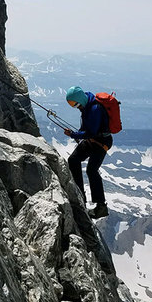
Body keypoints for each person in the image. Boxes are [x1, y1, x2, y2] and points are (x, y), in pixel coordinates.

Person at [64, 86, 112, 219]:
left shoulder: (95, 109)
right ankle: (81, 197)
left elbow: (92, 132)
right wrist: (77, 134)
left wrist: (74, 134)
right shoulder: (86, 106)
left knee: (92, 170)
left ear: (80, 100)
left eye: (75, 104)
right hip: (92, 140)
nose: (76, 107)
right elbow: (87, 129)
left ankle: (101, 207)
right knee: (73, 160)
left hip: (101, 141)